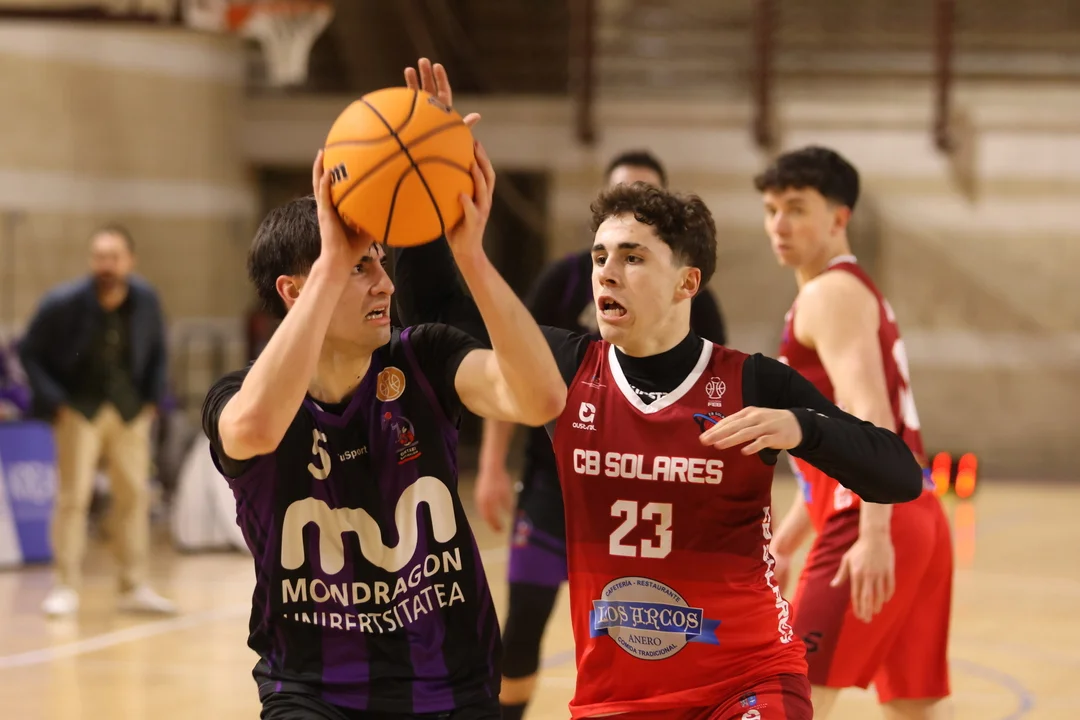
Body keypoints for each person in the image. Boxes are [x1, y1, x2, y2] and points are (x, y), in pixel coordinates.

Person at [395, 174, 925, 716]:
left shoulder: (752, 383)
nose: (606, 272)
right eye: (599, 257)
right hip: (616, 698)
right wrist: (417, 192)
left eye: (632, 258)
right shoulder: (563, 371)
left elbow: (900, 474)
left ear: (686, 282)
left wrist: (802, 426)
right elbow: (437, 320)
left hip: (747, 679)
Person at [199, 58, 567, 720]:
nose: (386, 284)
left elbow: (541, 399)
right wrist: (332, 260)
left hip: (452, 685)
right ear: (295, 290)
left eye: (382, 262)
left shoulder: (424, 357)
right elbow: (254, 430)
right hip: (311, 692)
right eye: (360, 267)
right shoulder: (242, 394)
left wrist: (470, 255)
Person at [466, 150, 727, 720]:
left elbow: (716, 397)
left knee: (646, 646)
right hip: (553, 487)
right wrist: (491, 466)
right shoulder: (565, 280)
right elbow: (511, 366)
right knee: (521, 627)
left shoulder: (695, 299)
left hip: (644, 501)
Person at [755, 146, 952, 719]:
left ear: (839, 217)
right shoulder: (846, 289)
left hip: (873, 520)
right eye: (771, 209)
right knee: (913, 708)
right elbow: (835, 456)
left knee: (788, 696)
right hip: (917, 515)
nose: (779, 224)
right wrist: (786, 541)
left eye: (796, 208)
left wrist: (875, 534)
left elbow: (871, 420)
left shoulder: (828, 294)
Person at [18, 225, 175, 617]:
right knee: (73, 497)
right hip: (78, 409)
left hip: (129, 410)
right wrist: (55, 401)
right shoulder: (64, 302)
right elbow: (29, 350)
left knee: (134, 495)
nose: (106, 265)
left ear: (130, 261)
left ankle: (133, 585)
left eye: (114, 257)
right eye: (100, 257)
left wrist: (152, 399)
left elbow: (158, 349)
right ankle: (65, 585)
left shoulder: (146, 299)